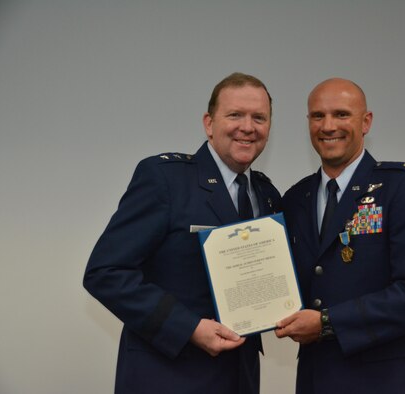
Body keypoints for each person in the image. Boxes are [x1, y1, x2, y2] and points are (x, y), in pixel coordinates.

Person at [83, 72, 281, 394]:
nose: (248, 127)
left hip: (239, 377)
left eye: (259, 117)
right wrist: (188, 328)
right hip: (168, 375)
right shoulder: (165, 179)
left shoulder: (267, 195)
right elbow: (105, 273)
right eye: (235, 115)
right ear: (209, 123)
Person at [275, 78, 405, 393]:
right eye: (317, 116)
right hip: (318, 378)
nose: (328, 126)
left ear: (365, 122)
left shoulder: (404, 187)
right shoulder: (296, 199)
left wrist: (327, 322)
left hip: (388, 380)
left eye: (341, 114)